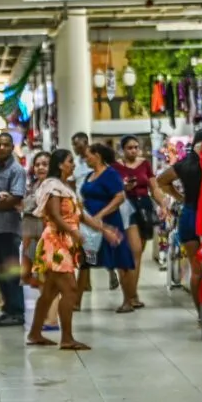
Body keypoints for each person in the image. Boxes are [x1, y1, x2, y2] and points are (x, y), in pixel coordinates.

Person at [28, 149, 120, 350]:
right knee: (70, 289)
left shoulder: (64, 187)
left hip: (63, 241)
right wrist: (74, 232)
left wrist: (105, 230)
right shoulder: (53, 186)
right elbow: (54, 215)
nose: (73, 165)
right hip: (56, 242)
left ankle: (35, 333)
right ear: (61, 164)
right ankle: (67, 338)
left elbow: (82, 215)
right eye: (70, 161)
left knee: (50, 292)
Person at [157, 129, 202, 315]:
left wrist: (180, 197)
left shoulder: (184, 165)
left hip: (189, 214)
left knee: (196, 270)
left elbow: (161, 180)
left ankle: (200, 314)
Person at [113, 134, 168, 309]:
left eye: (136, 147)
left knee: (138, 252)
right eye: (130, 147)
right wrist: (124, 187)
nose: (134, 150)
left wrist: (163, 205)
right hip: (124, 209)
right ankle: (128, 296)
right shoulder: (115, 167)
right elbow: (111, 190)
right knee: (133, 252)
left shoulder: (145, 164)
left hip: (144, 209)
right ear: (122, 150)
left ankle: (133, 294)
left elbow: (154, 186)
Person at [82, 143, 138, 313]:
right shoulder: (90, 175)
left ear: (97, 155)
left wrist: (100, 214)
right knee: (87, 260)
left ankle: (128, 300)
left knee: (121, 261)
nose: (86, 159)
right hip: (92, 226)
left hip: (110, 223)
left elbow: (119, 197)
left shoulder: (110, 174)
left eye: (88, 155)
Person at [0, 132, 28, 327]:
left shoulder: (16, 170)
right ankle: (7, 308)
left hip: (8, 227)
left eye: (6, 145)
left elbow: (17, 197)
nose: (2, 148)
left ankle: (17, 311)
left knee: (10, 270)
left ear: (11, 147)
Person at [22, 151, 59, 330]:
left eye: (45, 164)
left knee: (49, 280)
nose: (41, 167)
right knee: (40, 281)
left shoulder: (53, 187)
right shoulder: (35, 185)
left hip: (47, 239)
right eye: (37, 164)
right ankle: (48, 316)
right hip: (34, 240)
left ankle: (52, 319)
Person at [70, 132, 96, 310]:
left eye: (79, 144)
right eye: (74, 145)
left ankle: (78, 298)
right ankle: (83, 287)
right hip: (79, 210)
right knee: (84, 254)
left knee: (87, 255)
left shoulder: (93, 162)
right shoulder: (75, 164)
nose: (77, 148)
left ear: (86, 143)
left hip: (93, 210)